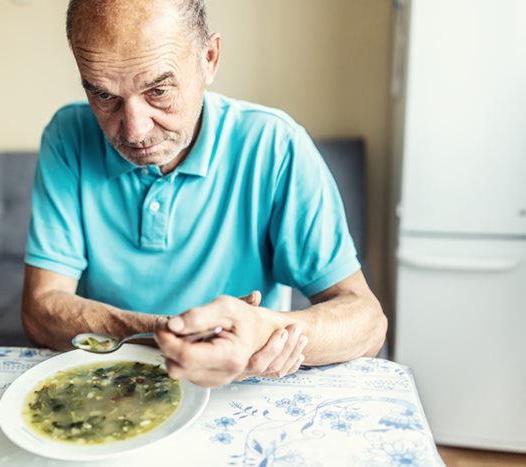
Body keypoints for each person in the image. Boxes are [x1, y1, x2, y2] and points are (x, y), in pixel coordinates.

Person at [22, 0, 387, 387]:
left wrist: (264, 329)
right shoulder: (68, 136)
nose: (134, 131)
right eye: (104, 96)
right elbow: (41, 310)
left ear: (209, 58)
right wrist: (168, 334)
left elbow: (367, 322)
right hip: (113, 386)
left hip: (239, 393)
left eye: (158, 91)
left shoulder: (275, 144)